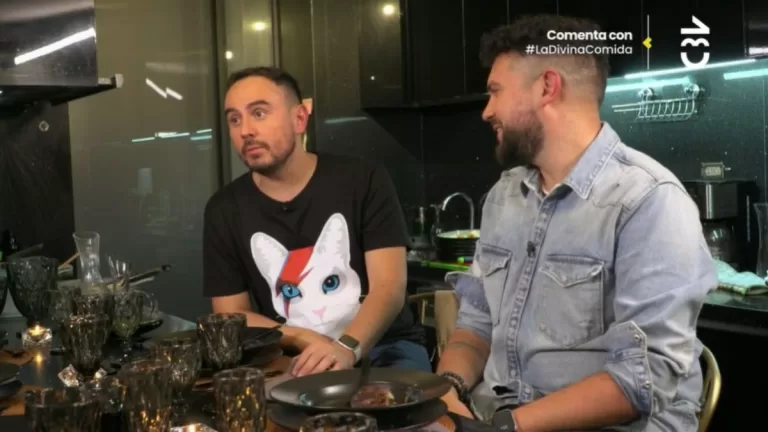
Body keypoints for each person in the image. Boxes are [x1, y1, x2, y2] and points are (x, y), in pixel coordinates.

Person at [436, 14, 716, 432]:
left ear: (547, 87)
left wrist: (507, 426)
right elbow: (475, 322)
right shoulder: (503, 196)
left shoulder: (648, 200)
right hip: (496, 417)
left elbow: (643, 379)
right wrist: (445, 390)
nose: (487, 111)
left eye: (495, 91)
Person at [203, 66, 429, 376]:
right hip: (292, 356)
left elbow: (389, 288)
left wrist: (345, 347)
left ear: (299, 118)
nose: (245, 130)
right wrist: (301, 337)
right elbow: (231, 314)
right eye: (234, 119)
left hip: (385, 348)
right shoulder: (224, 209)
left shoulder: (362, 179)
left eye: (259, 113)